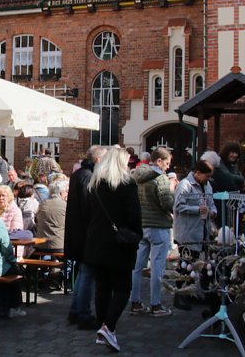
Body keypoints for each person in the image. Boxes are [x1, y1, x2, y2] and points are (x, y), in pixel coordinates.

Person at [84, 147, 142, 352]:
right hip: (119, 244)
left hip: (96, 243)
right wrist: (136, 234)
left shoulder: (94, 185)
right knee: (122, 288)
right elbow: (134, 217)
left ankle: (105, 328)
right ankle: (108, 327)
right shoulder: (127, 185)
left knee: (103, 288)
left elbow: (88, 214)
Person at [129, 147, 174, 317]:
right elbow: (167, 203)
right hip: (158, 226)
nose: (168, 167)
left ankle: (135, 302)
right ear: (159, 161)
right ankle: (156, 304)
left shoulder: (137, 176)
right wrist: (172, 193)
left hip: (142, 225)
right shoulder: (160, 178)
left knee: (137, 267)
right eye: (167, 163)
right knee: (157, 268)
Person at [66, 145, 104, 328]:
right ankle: (83, 314)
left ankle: (75, 310)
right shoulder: (88, 177)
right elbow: (89, 208)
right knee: (88, 275)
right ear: (98, 160)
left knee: (83, 273)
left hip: (78, 231)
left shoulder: (78, 174)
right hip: (85, 233)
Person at [35, 179, 67, 251]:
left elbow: (37, 220)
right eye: (65, 192)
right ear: (61, 193)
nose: (66, 194)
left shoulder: (42, 204)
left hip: (40, 244)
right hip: (59, 245)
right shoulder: (65, 205)